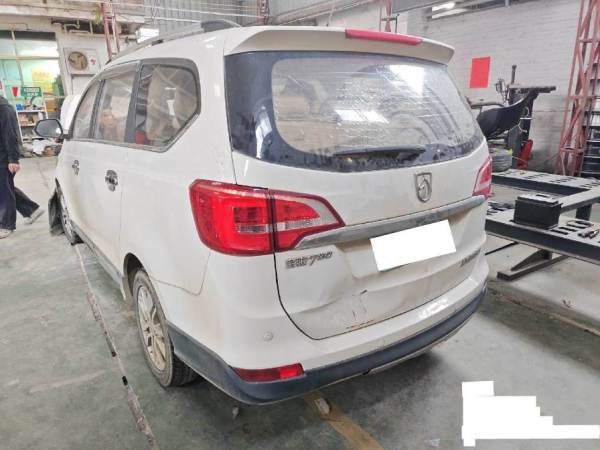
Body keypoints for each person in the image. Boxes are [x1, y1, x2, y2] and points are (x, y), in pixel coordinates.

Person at [0, 95, 44, 239]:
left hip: (4, 158)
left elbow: (10, 135)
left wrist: (13, 159)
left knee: (4, 191)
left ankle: (6, 225)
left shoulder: (4, 109)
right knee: (6, 187)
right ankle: (32, 210)